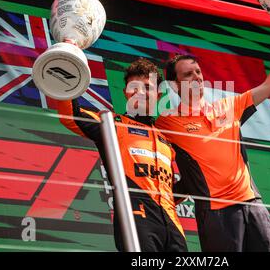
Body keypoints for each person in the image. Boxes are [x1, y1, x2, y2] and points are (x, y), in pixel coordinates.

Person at [155, 22, 270, 252]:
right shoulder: (167, 122)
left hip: (253, 205)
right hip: (217, 214)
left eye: (198, 72)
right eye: (188, 74)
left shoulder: (229, 105)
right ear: (174, 85)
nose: (197, 78)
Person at [57, 58, 187, 252]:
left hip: (173, 224)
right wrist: (69, 63)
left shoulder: (166, 138)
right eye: (134, 87)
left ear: (158, 94)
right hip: (136, 219)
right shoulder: (113, 124)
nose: (140, 93)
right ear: (126, 93)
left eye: (147, 87)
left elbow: (176, 186)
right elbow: (70, 115)